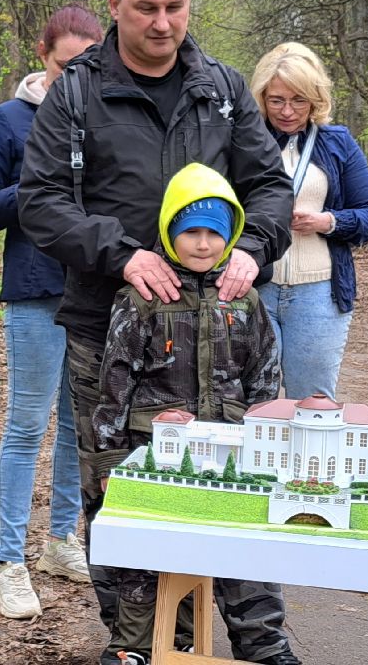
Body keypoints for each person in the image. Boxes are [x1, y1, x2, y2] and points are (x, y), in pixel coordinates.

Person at [17, 0, 293, 665]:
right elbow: (40, 202)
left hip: (221, 335)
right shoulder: (77, 92)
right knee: (122, 496)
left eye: (175, 7)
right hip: (108, 331)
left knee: (238, 488)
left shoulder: (222, 89)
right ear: (115, 5)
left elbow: (270, 187)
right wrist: (123, 254)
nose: (163, 23)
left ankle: (257, 641)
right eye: (146, 8)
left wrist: (253, 246)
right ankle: (145, 645)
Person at [91, 162, 292, 665]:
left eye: (214, 234)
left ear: (231, 237)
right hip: (155, 454)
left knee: (245, 547)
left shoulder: (244, 301)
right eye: (191, 233)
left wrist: (263, 443)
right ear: (169, 233)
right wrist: (111, 460)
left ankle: (264, 645)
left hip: (230, 453)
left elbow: (265, 376)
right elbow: (115, 383)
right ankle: (137, 646)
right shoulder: (142, 300)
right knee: (146, 551)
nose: (203, 245)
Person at [0, 5, 105, 620]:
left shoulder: (107, 118)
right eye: (63, 64)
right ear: (42, 56)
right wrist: (32, 187)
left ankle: (61, 539)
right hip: (35, 290)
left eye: (85, 65)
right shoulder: (10, 120)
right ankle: (9, 560)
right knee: (27, 425)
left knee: (79, 426)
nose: (74, 76)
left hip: (96, 291)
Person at [250, 42, 368, 401]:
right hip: (254, 287)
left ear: (315, 99)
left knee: (311, 402)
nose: (287, 111)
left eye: (299, 100)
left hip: (318, 293)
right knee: (251, 400)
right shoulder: (246, 141)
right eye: (276, 100)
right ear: (262, 97)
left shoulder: (337, 143)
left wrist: (327, 221)